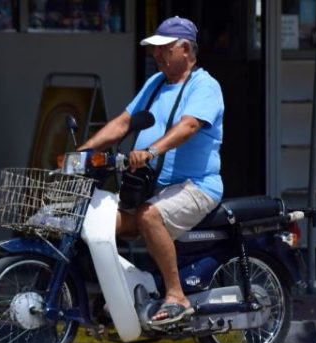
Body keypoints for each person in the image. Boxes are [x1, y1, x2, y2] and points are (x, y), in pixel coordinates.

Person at [77, 15, 224, 325]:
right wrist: (81, 154)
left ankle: (176, 297)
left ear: (185, 49)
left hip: (196, 187)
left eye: (164, 49)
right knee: (103, 225)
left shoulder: (205, 86)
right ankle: (125, 295)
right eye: (155, 49)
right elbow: (123, 123)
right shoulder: (155, 84)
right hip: (154, 187)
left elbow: (189, 126)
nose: (156, 55)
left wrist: (152, 150)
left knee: (148, 215)